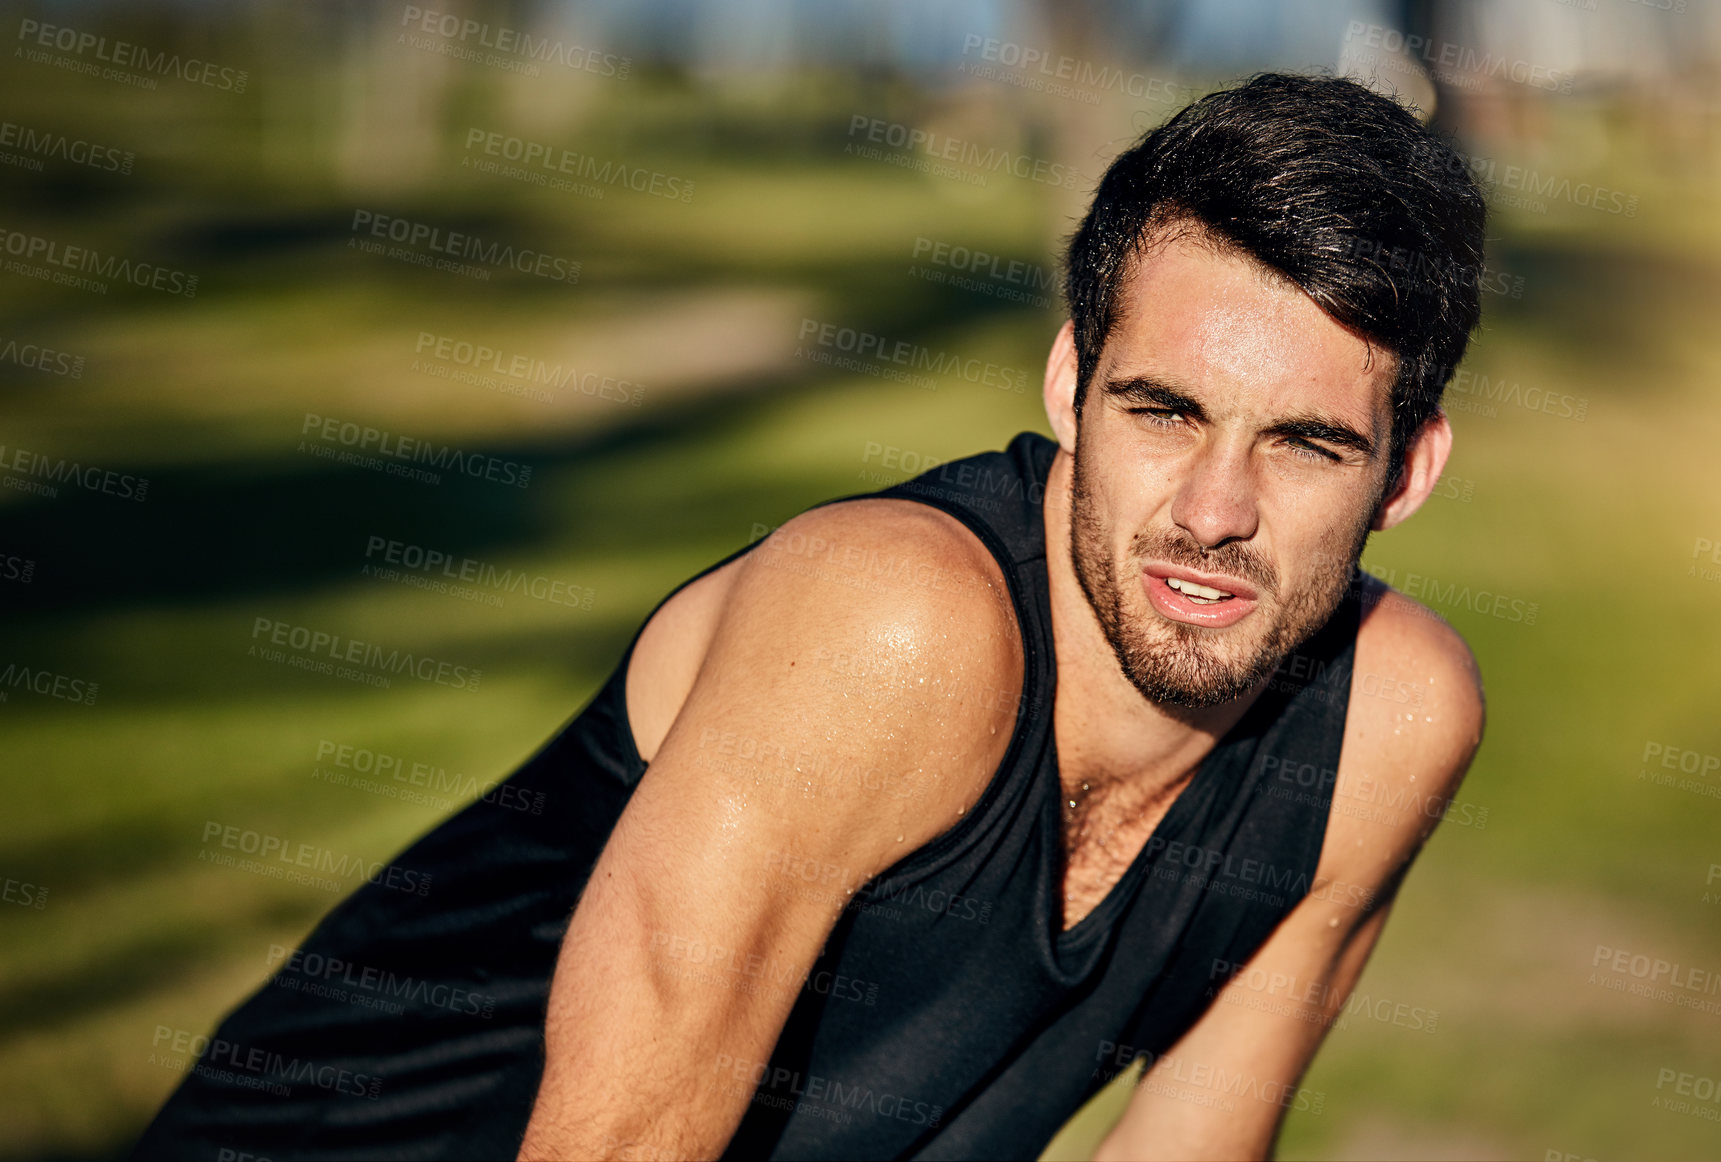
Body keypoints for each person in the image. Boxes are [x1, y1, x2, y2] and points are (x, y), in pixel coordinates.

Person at [132, 71, 1488, 1161]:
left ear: (1406, 470)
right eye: (1164, 409)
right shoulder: (890, 624)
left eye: (1304, 444)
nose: (1210, 509)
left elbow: (1196, 1134)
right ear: (1070, 385)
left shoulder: (1389, 720)